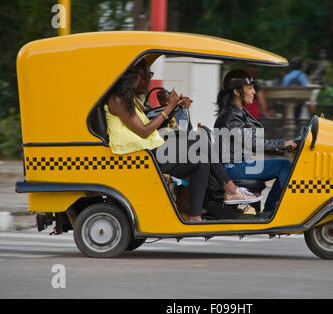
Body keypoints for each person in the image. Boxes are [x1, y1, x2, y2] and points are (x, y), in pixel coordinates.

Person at [105, 60, 260, 222]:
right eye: (147, 76)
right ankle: (231, 189)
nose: (148, 81)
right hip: (142, 157)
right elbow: (144, 132)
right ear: (133, 77)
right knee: (199, 139)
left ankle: (195, 216)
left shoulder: (132, 99)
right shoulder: (118, 100)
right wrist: (169, 107)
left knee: (201, 160)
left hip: (152, 152)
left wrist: (172, 106)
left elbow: (150, 124)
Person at [214, 69, 298, 219]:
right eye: (249, 88)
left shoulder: (238, 112)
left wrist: (283, 145)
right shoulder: (230, 115)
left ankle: (270, 210)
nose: (253, 92)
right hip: (233, 167)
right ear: (236, 91)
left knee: (283, 164)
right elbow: (253, 143)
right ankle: (275, 211)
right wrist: (283, 144)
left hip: (239, 164)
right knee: (284, 165)